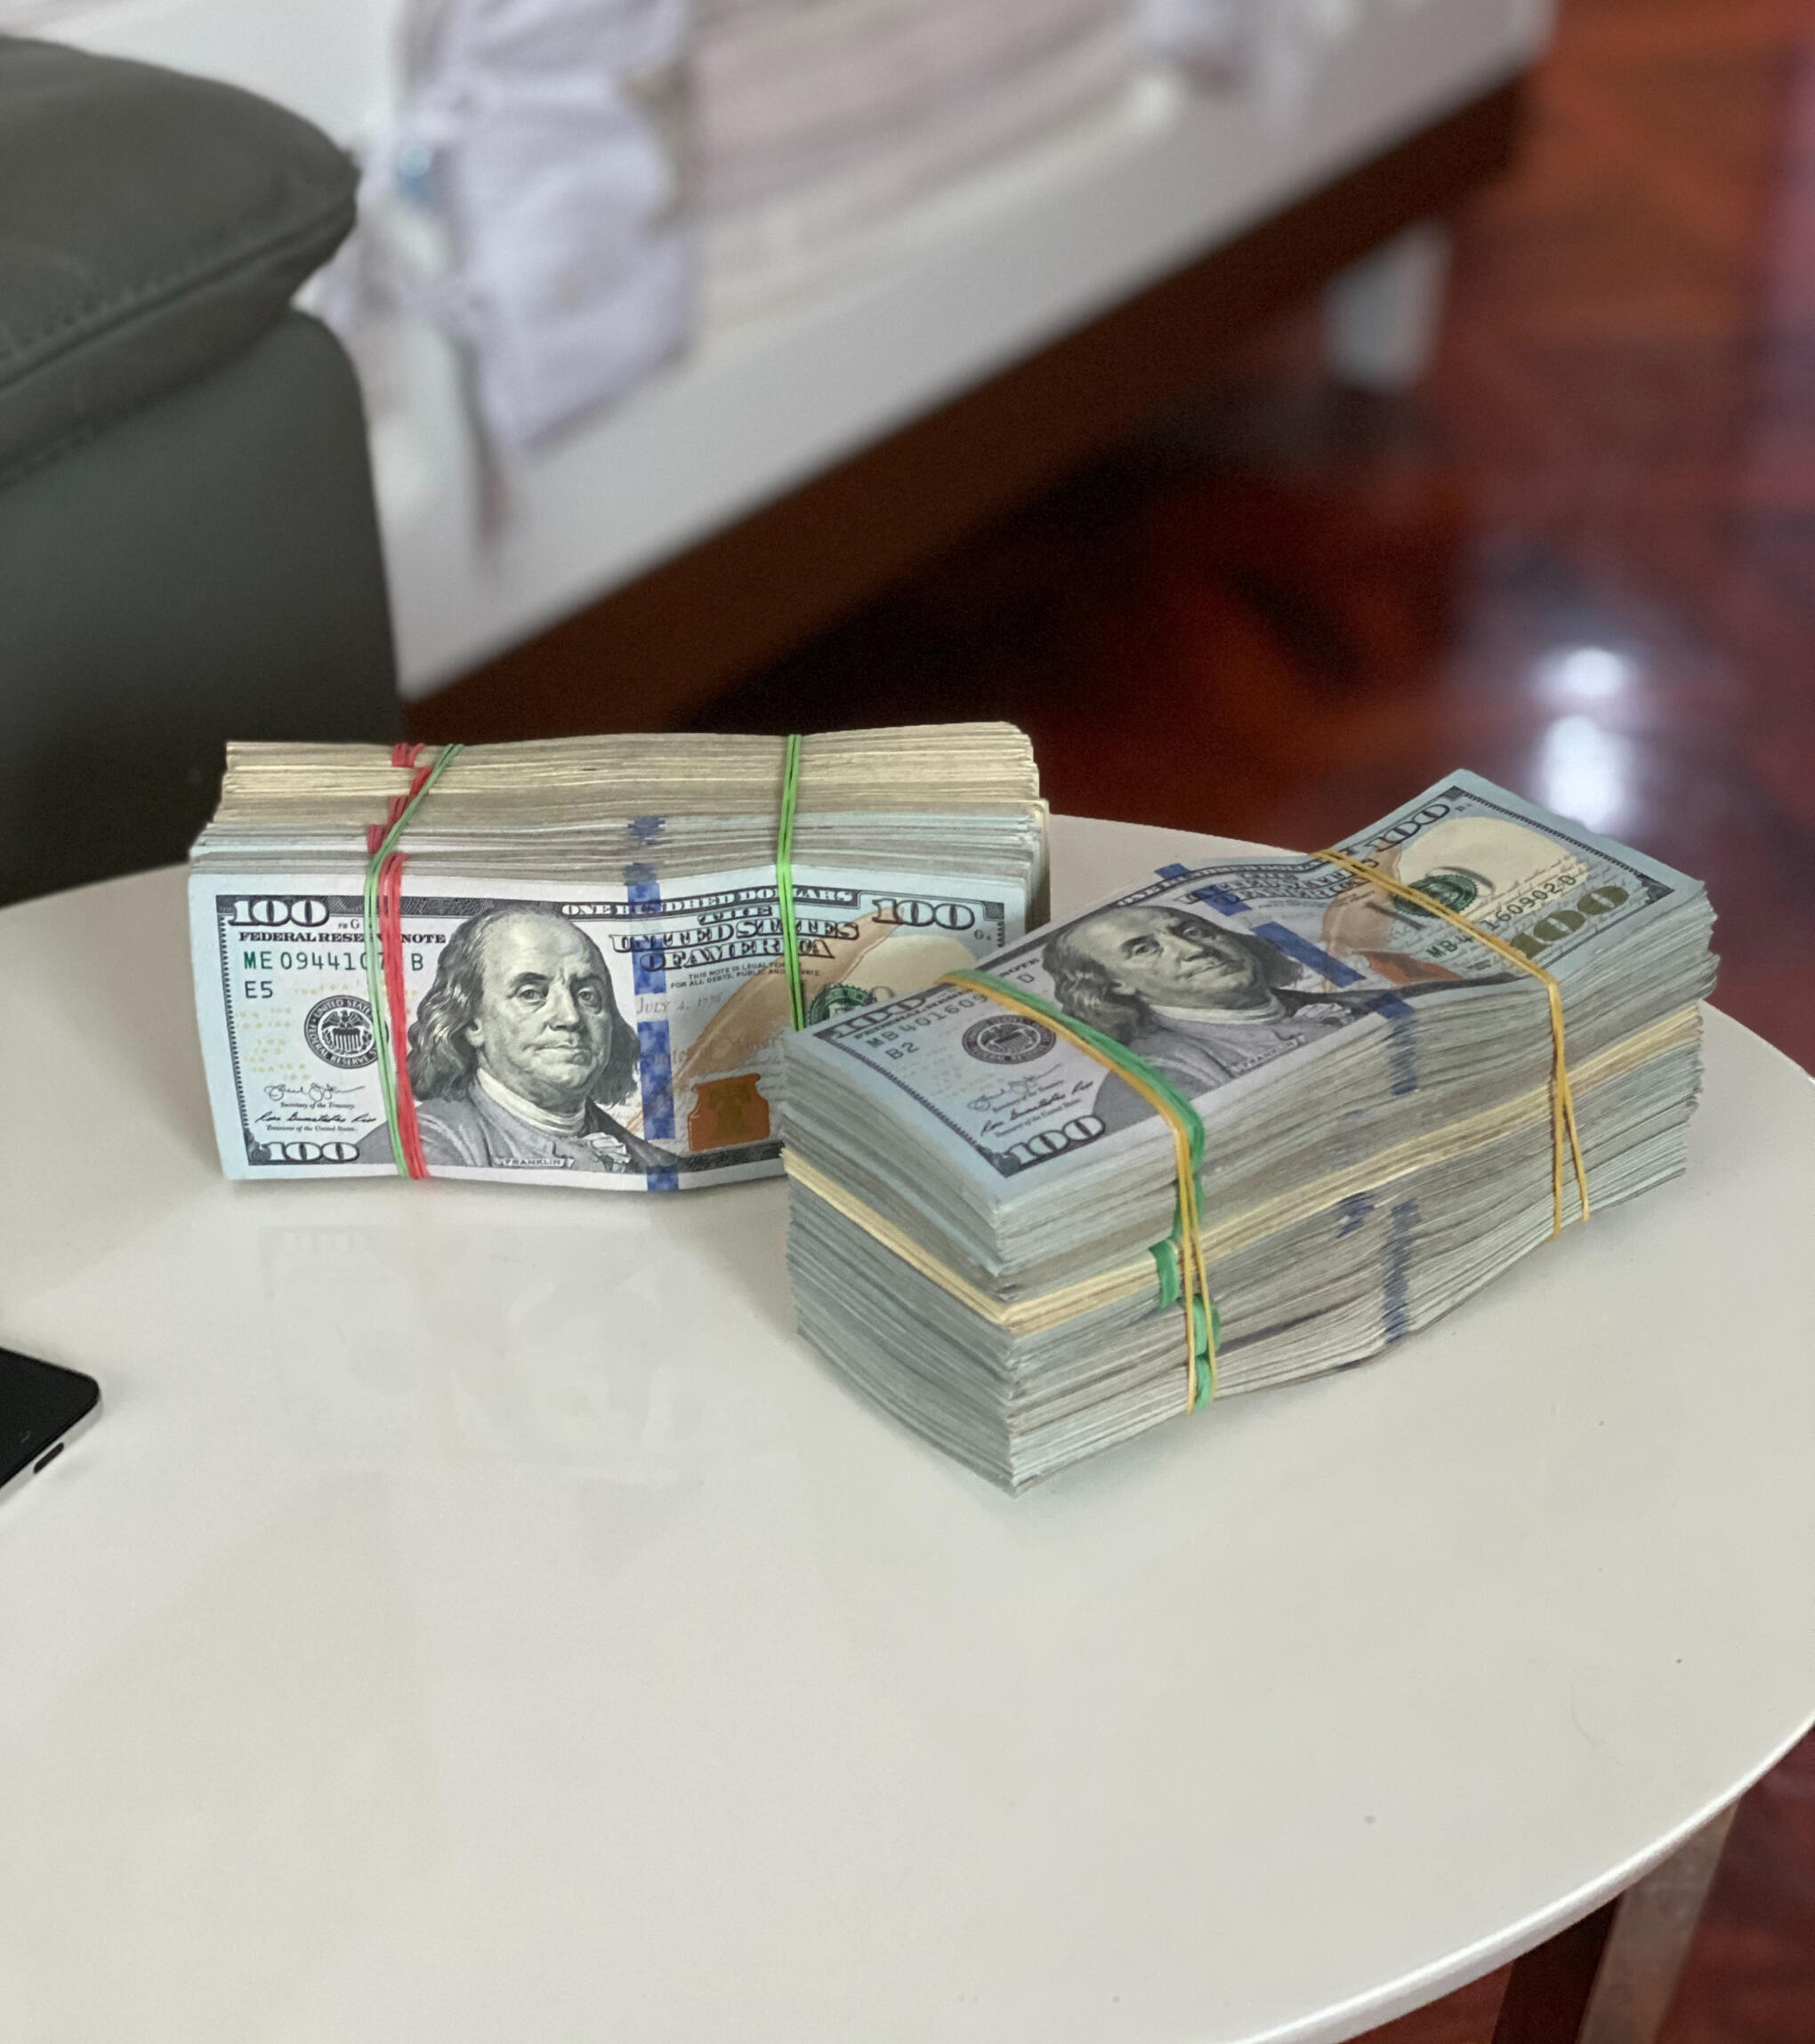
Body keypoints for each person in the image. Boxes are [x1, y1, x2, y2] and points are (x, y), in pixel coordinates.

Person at [1042, 902, 1458, 1102]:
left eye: (1190, 930)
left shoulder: (1377, 1000)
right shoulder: (1158, 1080)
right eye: (1144, 949)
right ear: (1114, 986)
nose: (1190, 950)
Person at [405, 904, 683, 1173]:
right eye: (531, 993)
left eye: (587, 995)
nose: (571, 1017)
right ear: (472, 1022)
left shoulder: (660, 1166)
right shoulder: (423, 1150)